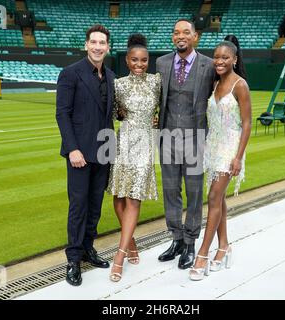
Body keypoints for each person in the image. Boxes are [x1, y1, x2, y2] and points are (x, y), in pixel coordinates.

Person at [56, 24, 115, 287]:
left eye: (102, 43)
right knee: (78, 207)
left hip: (104, 151)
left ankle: (89, 249)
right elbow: (62, 113)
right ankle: (74, 259)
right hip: (79, 153)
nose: (98, 46)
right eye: (94, 42)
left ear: (108, 47)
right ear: (86, 45)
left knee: (94, 206)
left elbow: (111, 115)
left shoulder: (112, 76)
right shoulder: (70, 73)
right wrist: (73, 149)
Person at [189, 38, 252, 281]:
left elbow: (246, 124)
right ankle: (224, 246)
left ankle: (202, 254)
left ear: (234, 59)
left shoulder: (240, 85)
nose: (219, 61)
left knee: (213, 197)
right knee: (219, 198)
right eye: (216, 57)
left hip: (230, 148)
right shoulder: (215, 83)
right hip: (212, 147)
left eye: (225, 57)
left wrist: (238, 157)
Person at [156, 19, 216, 270]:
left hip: (195, 139)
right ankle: (176, 239)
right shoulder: (161, 63)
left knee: (193, 194)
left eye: (186, 32)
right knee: (171, 192)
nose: (180, 36)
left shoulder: (210, 65)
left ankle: (191, 243)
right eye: (176, 32)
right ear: (173, 37)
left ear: (195, 37)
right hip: (167, 138)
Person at [106, 33, 161, 282]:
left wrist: (157, 119)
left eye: (144, 61)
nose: (140, 65)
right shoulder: (118, 85)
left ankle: (119, 256)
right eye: (135, 60)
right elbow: (117, 113)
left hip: (144, 147)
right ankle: (132, 243)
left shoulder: (156, 82)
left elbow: (163, 108)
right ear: (127, 61)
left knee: (133, 199)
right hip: (124, 144)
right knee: (118, 199)